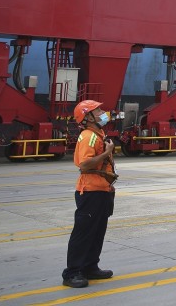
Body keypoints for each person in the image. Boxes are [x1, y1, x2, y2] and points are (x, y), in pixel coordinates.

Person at [62, 100, 118, 288]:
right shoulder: (88, 136)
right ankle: (72, 273)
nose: (103, 112)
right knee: (83, 233)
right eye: (98, 110)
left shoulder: (98, 133)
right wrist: (107, 152)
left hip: (102, 190)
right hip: (90, 192)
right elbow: (84, 165)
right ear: (88, 117)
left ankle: (90, 267)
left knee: (97, 231)